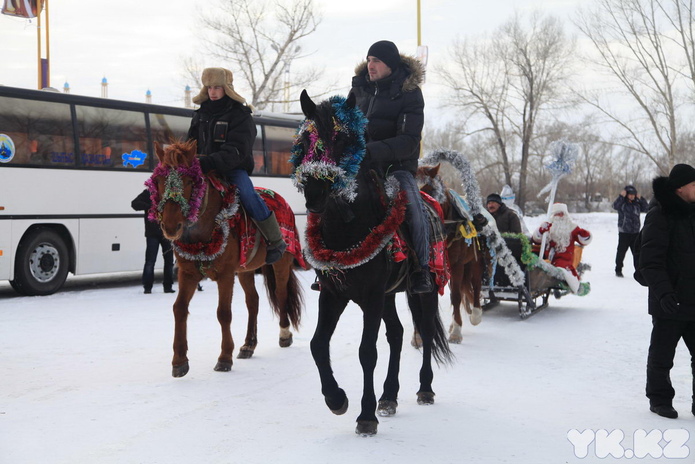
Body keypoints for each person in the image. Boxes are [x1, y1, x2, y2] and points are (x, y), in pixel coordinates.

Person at [348, 40, 432, 294]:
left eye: (377, 61)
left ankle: (421, 269)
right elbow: (346, 123)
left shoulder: (410, 93)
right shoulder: (359, 89)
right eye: (369, 59)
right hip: (358, 166)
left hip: (395, 168)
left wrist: (370, 151)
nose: (370, 65)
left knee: (413, 207)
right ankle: (327, 264)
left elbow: (409, 141)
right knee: (327, 198)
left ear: (390, 65)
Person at [188, 67, 286, 264]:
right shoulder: (200, 115)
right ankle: (185, 244)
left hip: (232, 169)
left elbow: (237, 150)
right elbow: (191, 143)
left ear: (227, 88)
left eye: (217, 87)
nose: (213, 92)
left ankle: (275, 240)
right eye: (209, 88)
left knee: (248, 194)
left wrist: (207, 162)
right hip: (203, 169)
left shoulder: (241, 115)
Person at [638, 163, 695, 419]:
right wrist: (664, 294)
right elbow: (650, 260)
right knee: (662, 356)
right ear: (681, 188)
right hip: (669, 300)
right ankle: (660, 399)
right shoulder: (660, 214)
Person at [532, 203, 592, 293]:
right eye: (556, 214)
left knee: (561, 269)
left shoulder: (572, 228)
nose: (559, 216)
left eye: (561, 213)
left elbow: (584, 240)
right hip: (548, 258)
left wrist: (585, 234)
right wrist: (541, 230)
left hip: (564, 261)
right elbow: (536, 240)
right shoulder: (549, 227)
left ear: (565, 215)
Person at [131, 189, 175, 294]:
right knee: (152, 261)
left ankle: (165, 286)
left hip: (165, 233)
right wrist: (150, 206)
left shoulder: (169, 193)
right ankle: (149, 287)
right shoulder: (149, 193)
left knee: (165, 261)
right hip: (154, 233)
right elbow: (135, 204)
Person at [612, 184, 648, 277]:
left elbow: (647, 208)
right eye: (630, 194)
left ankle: (639, 271)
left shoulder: (637, 203)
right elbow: (615, 206)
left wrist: (642, 199)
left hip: (635, 232)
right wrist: (621, 196)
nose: (632, 196)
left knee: (637, 253)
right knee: (621, 252)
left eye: (633, 194)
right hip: (624, 232)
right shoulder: (622, 204)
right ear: (626, 194)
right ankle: (618, 270)